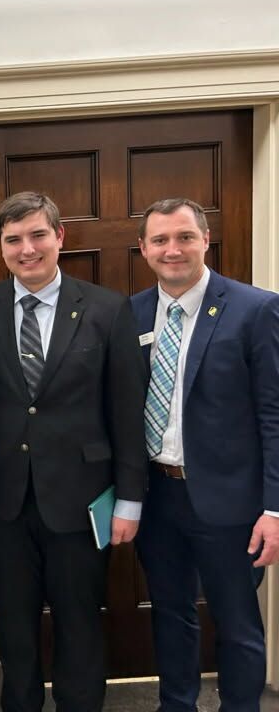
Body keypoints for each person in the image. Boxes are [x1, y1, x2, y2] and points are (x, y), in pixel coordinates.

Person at [0, 191, 147, 712]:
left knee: (79, 620)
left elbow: (126, 411)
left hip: (82, 498)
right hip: (1, 500)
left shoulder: (107, 309)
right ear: (1, 247)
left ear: (60, 236)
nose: (27, 249)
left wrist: (130, 499)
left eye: (38, 235)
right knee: (14, 623)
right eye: (13, 239)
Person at [132, 197, 279, 712]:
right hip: (157, 497)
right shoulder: (130, 313)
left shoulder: (256, 309)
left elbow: (274, 415)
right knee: (170, 615)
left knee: (237, 623)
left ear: (205, 240)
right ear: (144, 249)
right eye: (160, 240)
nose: (172, 249)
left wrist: (275, 509)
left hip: (231, 503)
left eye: (184, 237)